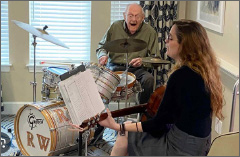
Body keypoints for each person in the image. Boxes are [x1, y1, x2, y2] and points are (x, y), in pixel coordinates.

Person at [70, 19, 224, 155]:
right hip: (202, 146)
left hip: (179, 149)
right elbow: (173, 117)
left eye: (170, 38)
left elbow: (157, 126)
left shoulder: (180, 76)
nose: (166, 41)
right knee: (130, 128)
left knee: (124, 136)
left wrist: (117, 126)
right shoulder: (204, 72)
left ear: (184, 45)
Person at [96, 3, 160, 104]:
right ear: (124, 16)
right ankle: (103, 113)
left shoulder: (150, 32)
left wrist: (142, 61)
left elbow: (156, 58)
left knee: (149, 79)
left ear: (143, 17)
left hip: (137, 69)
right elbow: (101, 46)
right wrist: (102, 55)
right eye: (130, 15)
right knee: (101, 81)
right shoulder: (115, 27)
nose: (133, 19)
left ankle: (142, 112)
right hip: (114, 67)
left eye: (137, 16)